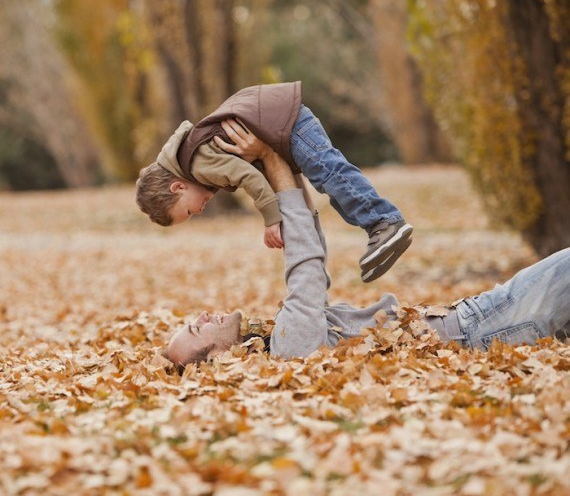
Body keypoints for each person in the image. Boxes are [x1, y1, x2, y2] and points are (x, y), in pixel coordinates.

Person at [165, 122, 570, 371]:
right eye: (195, 330)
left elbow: (310, 244)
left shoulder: (281, 340)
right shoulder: (289, 349)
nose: (200, 317)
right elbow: (306, 263)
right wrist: (271, 158)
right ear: (217, 363)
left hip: (478, 319)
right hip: (482, 328)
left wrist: (281, 163)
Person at [136, 81, 413, 283]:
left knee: (328, 172)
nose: (198, 212)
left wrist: (270, 219)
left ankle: (383, 221)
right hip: (282, 124)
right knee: (325, 179)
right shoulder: (194, 158)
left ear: (178, 187)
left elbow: (250, 177)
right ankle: (363, 239)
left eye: (188, 211)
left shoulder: (198, 163)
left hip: (287, 124)